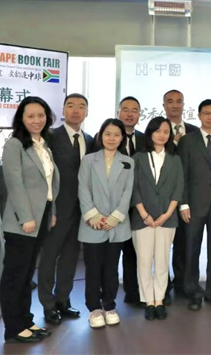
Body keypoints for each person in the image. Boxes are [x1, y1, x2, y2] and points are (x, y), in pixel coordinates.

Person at [0, 96, 60, 343]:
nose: (37, 120)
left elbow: (49, 183)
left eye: (41, 115)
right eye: (31, 116)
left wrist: (51, 211)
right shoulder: (14, 145)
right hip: (22, 221)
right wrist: (26, 217)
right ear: (21, 119)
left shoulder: (43, 145)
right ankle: (13, 327)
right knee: (15, 275)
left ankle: (25, 320)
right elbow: (14, 184)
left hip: (42, 216)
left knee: (26, 276)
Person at [38, 93, 93, 326]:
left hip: (81, 210)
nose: (76, 110)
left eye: (81, 106)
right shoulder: (50, 137)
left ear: (87, 112)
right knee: (49, 257)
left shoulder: (90, 140)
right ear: (63, 110)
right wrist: (49, 209)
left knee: (71, 257)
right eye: (70, 106)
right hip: (57, 209)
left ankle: (63, 299)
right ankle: (47, 304)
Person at [78, 118, 135, 329]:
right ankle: (94, 308)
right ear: (101, 136)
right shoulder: (88, 160)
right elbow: (83, 188)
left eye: (117, 135)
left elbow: (128, 191)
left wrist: (115, 217)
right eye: (108, 134)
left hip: (117, 225)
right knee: (93, 268)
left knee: (111, 268)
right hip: (92, 223)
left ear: (122, 138)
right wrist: (93, 215)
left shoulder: (128, 162)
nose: (112, 138)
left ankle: (109, 305)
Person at [178, 99, 211, 311]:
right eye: (206, 113)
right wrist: (183, 204)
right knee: (192, 250)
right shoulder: (187, 141)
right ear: (199, 115)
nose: (210, 117)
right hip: (194, 204)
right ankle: (193, 292)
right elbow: (182, 174)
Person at [131, 117, 184, 320]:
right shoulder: (138, 158)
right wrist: (144, 215)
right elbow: (133, 188)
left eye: (166, 132)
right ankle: (148, 301)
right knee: (144, 262)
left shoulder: (175, 159)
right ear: (150, 133)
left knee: (162, 262)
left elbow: (178, 188)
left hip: (167, 218)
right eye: (158, 131)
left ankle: (159, 300)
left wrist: (167, 214)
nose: (162, 135)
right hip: (142, 219)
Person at [162, 89, 199, 302]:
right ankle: (163, 287)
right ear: (164, 105)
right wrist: (175, 143)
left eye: (179, 101)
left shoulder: (194, 131)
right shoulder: (157, 130)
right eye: (170, 101)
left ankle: (183, 284)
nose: (175, 105)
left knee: (185, 244)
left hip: (187, 198)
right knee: (162, 246)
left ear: (184, 105)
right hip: (163, 198)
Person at [116, 96, 146, 306]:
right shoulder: (107, 136)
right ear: (118, 112)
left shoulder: (145, 139)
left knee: (133, 252)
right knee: (110, 254)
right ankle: (106, 296)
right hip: (112, 205)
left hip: (138, 206)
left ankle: (133, 292)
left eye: (134, 110)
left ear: (139, 115)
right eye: (125, 109)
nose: (129, 114)